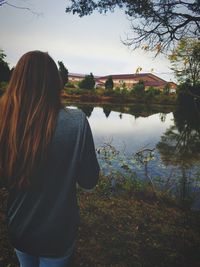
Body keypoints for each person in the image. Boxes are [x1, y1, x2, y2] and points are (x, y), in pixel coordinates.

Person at [0, 51, 100, 267]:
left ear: (17, 80)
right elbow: (89, 182)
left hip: (19, 229)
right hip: (58, 235)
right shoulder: (77, 122)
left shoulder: (3, 121)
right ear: (56, 82)